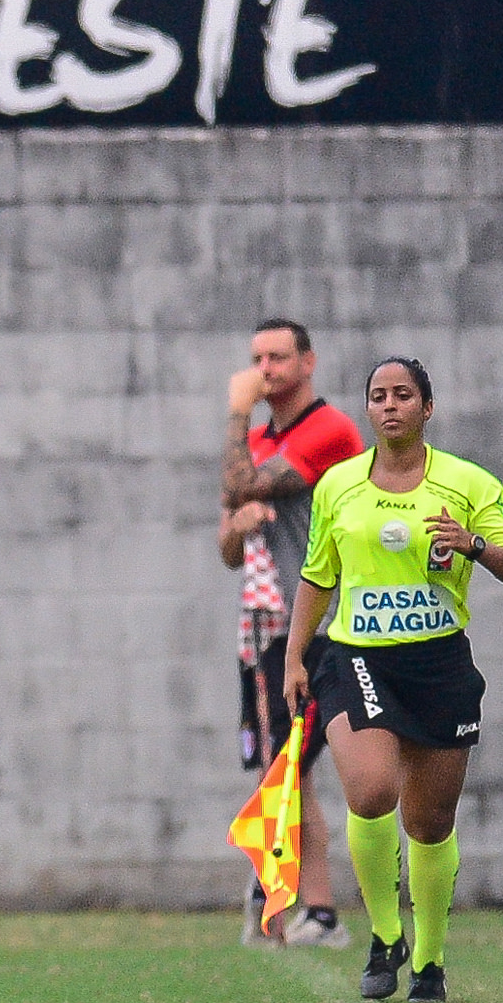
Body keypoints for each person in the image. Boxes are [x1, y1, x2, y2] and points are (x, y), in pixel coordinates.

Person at [284, 357, 503, 1003]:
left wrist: (475, 544)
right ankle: (384, 934)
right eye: (378, 395)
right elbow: (319, 574)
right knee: (370, 792)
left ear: (428, 406)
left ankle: (428, 960)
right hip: (358, 656)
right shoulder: (338, 484)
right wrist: (294, 656)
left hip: (439, 662)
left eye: (403, 394)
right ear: (367, 409)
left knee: (429, 822)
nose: (389, 405)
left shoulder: (468, 483)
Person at [219, 318, 364, 947]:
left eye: (277, 356)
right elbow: (229, 536)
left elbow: (241, 483)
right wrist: (237, 524)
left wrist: (232, 415)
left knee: (291, 764)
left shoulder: (328, 429)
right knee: (280, 770)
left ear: (308, 361)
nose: (264, 368)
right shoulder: (255, 438)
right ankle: (302, 907)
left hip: (323, 623)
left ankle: (295, 901)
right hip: (265, 629)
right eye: (256, 357)